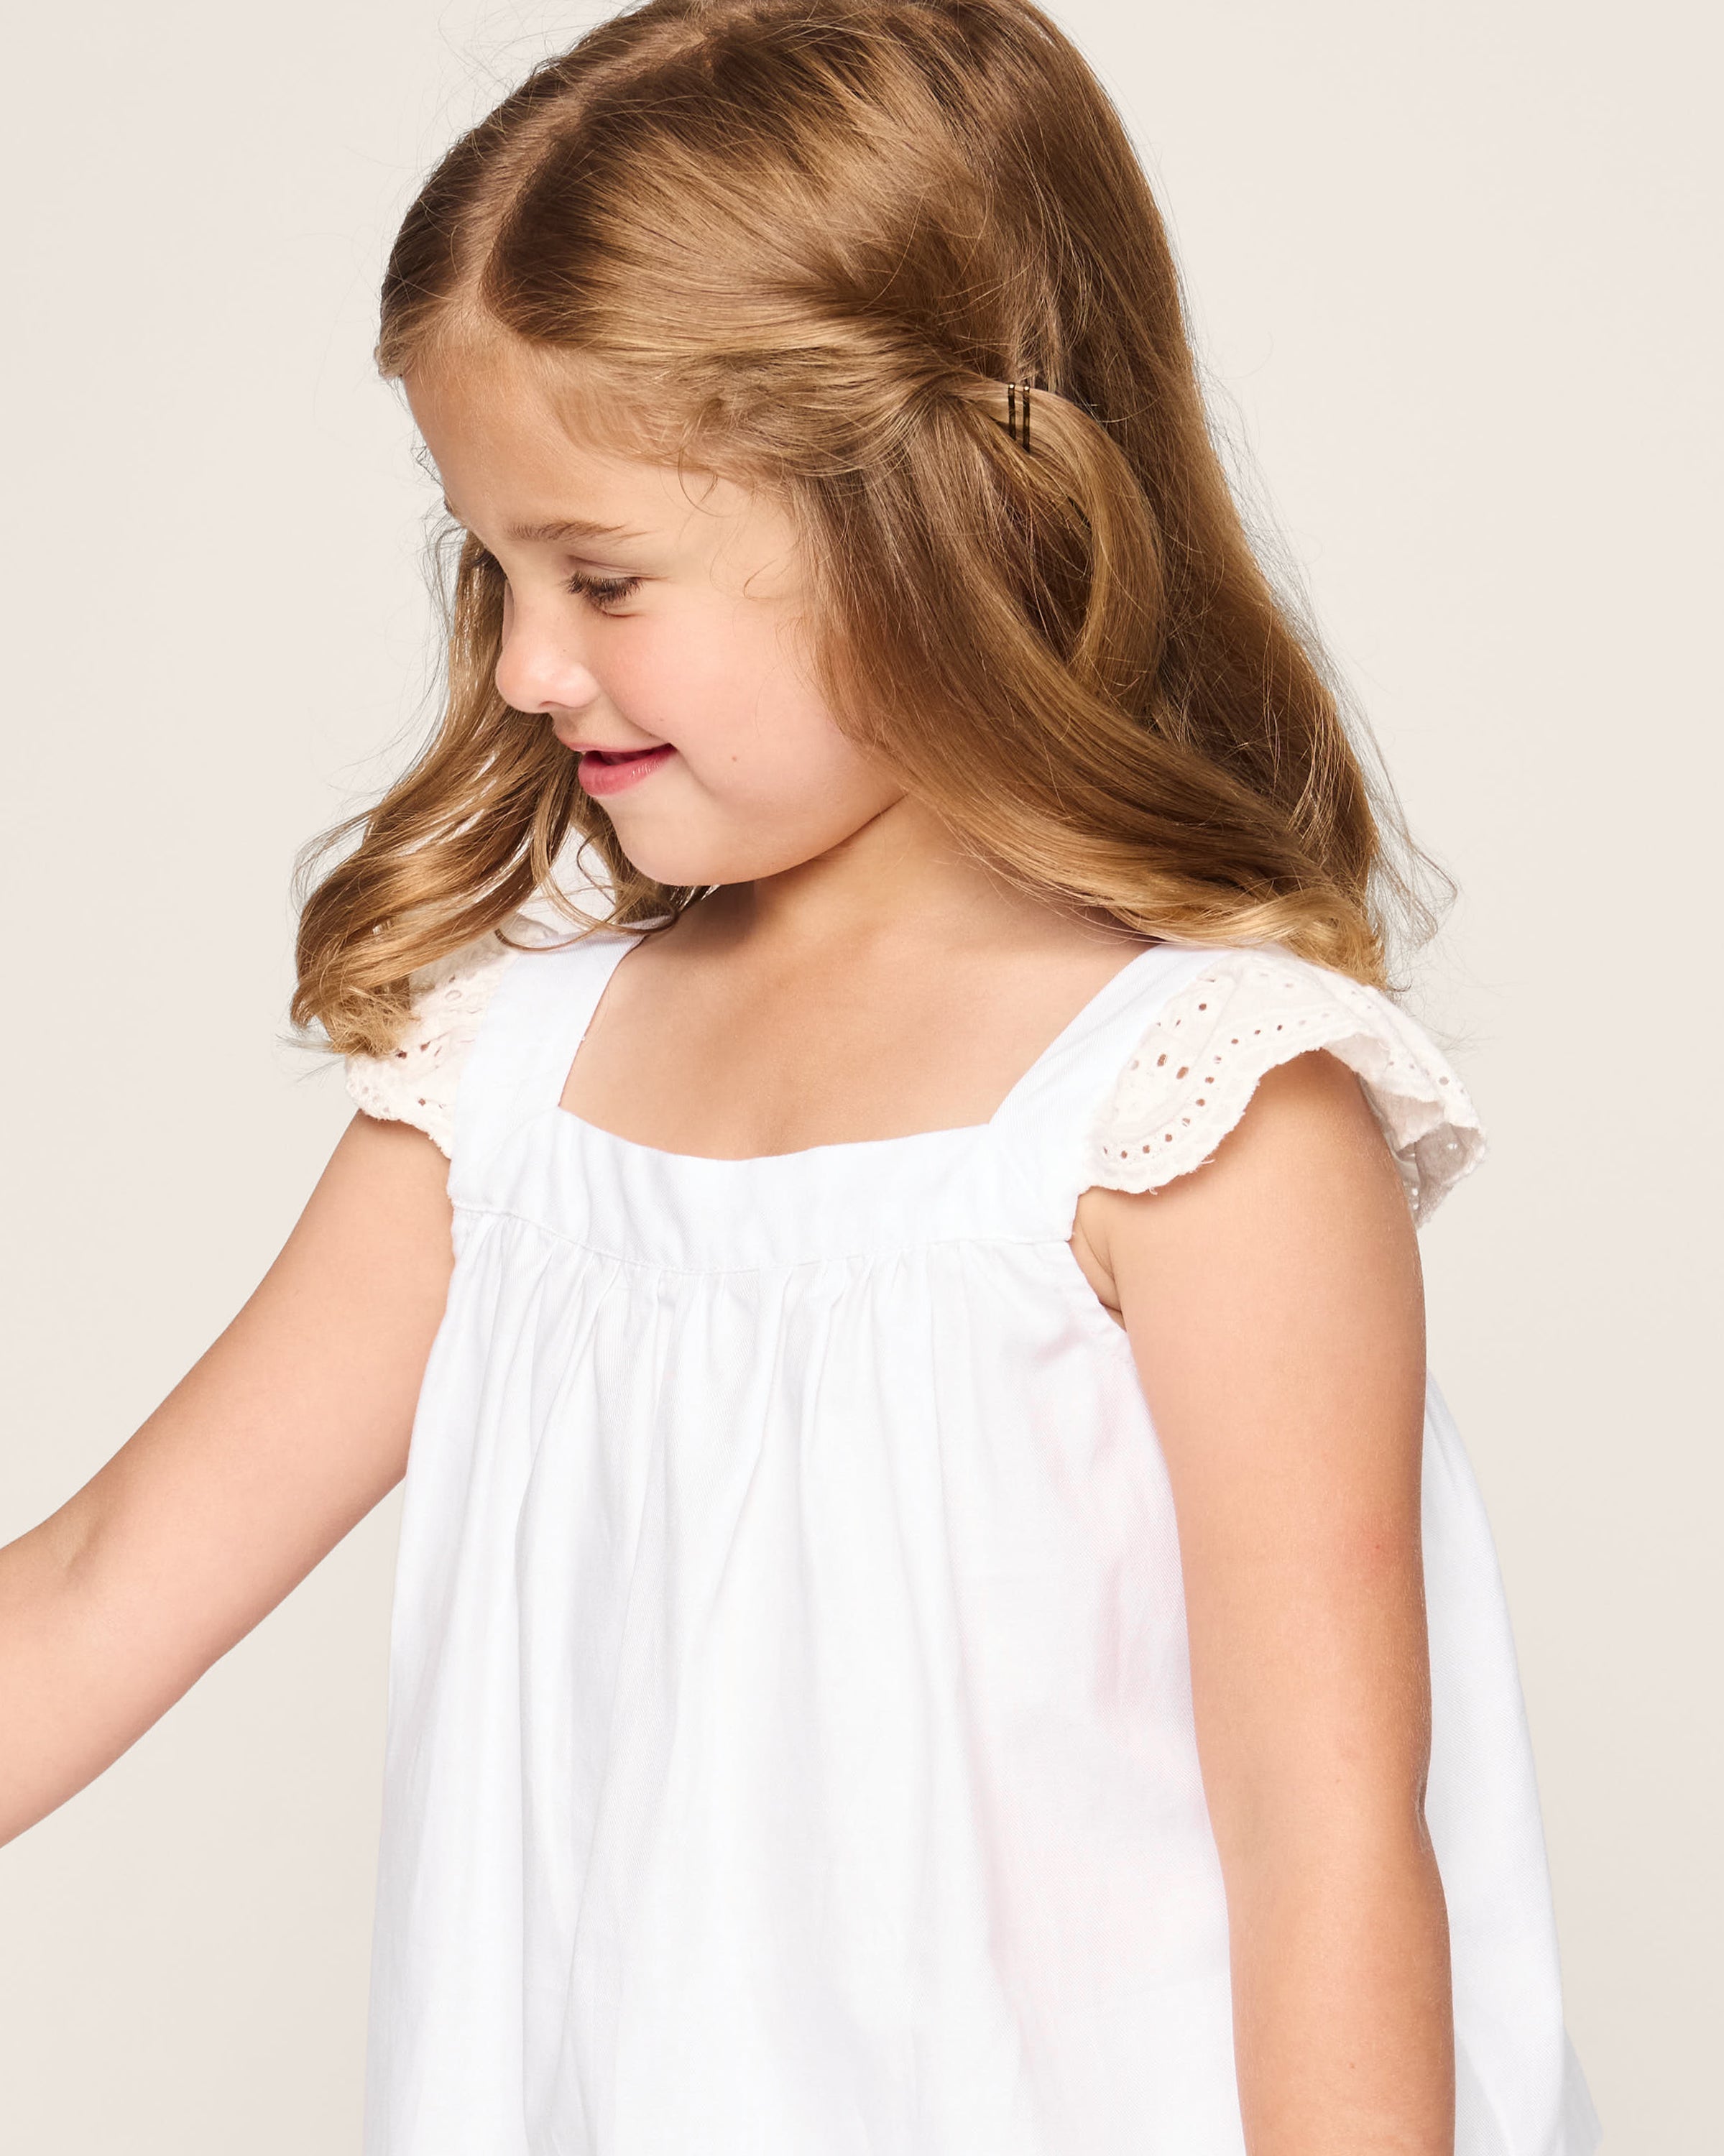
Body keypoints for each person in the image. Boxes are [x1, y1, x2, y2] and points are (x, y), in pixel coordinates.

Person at [0, 2, 1601, 2150]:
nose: (526, 664)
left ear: (938, 515)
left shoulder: (1197, 1112)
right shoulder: (509, 1096)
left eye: (604, 576)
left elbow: (1328, 1854)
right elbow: (99, 1585)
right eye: (493, 567)